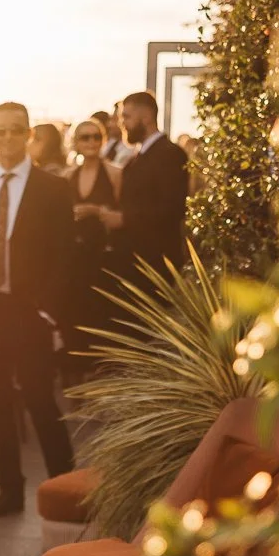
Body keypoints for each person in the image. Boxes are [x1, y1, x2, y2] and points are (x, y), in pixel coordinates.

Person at [0, 101, 77, 515]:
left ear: (29, 136)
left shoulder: (53, 189)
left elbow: (66, 257)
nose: (7, 139)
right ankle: (10, 490)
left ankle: (65, 491)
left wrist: (47, 310)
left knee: (41, 402)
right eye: (0, 132)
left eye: (15, 130)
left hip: (30, 310)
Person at [108, 90, 191, 279]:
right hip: (133, 262)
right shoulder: (136, 158)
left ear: (146, 117)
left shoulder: (170, 154)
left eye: (126, 117)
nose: (122, 124)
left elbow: (172, 209)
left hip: (156, 264)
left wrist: (124, 219)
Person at [61, 117, 123, 368]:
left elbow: (119, 213)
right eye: (85, 137)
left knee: (100, 311)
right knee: (76, 311)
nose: (91, 142)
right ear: (75, 142)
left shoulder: (115, 173)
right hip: (75, 256)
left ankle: (101, 368)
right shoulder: (67, 176)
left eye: (96, 137)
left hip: (103, 254)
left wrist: (95, 210)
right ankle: (76, 367)